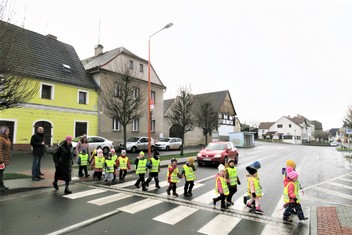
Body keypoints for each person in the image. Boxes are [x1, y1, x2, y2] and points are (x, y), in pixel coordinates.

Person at [0, 126, 11, 191]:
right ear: (3, 131)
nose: (8, 132)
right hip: (1, 160)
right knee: (0, 172)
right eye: (7, 131)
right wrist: (1, 160)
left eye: (8, 131)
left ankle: (1, 185)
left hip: (5, 159)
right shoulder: (1, 139)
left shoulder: (7, 138)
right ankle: (1, 185)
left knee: (1, 172)